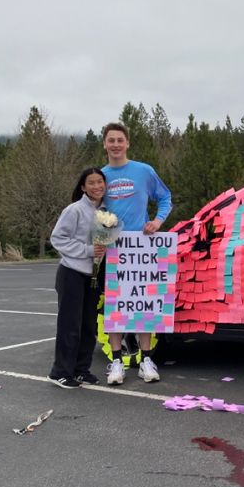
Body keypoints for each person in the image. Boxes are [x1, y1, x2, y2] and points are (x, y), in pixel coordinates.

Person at [101, 121, 172, 385]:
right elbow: (93, 210)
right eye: (111, 140)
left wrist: (158, 221)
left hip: (143, 249)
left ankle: (146, 360)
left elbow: (165, 197)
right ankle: (117, 362)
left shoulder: (144, 171)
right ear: (105, 144)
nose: (116, 145)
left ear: (127, 143)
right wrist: (100, 238)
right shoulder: (101, 176)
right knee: (116, 308)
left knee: (145, 306)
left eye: (120, 140)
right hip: (113, 250)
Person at [47, 167, 108, 389]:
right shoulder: (74, 210)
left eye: (100, 182)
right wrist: (89, 250)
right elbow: (58, 238)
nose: (97, 186)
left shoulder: (106, 212)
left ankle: (82, 370)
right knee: (69, 325)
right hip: (71, 273)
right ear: (83, 187)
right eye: (91, 183)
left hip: (93, 276)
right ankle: (60, 372)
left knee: (88, 326)